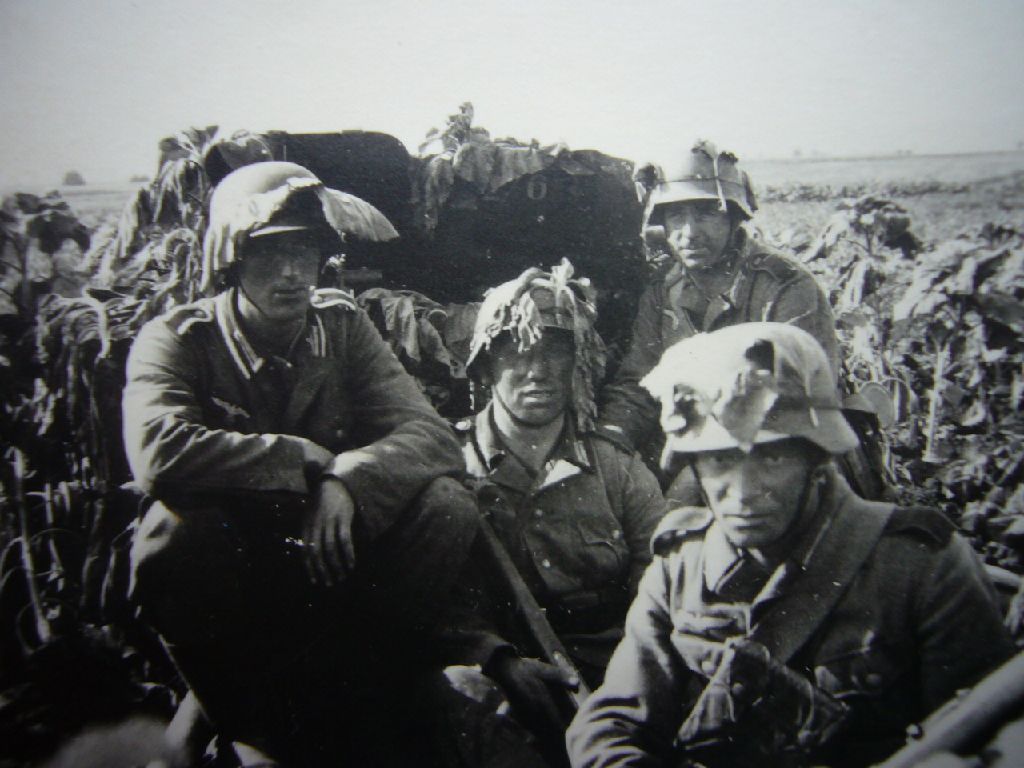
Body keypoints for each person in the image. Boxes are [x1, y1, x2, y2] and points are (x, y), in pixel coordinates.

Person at [122, 161, 479, 766]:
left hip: (329, 560)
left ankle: (368, 688)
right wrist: (301, 459)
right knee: (170, 533)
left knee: (447, 505)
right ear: (233, 258)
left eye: (305, 252)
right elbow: (157, 450)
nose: (291, 273)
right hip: (237, 571)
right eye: (270, 253)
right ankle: (239, 716)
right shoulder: (180, 340)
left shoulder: (341, 328)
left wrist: (348, 478)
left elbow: (431, 435)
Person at [567, 322, 1014, 768]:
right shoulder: (681, 565)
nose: (743, 492)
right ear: (694, 466)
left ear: (816, 458)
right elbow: (612, 724)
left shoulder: (918, 564)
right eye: (720, 460)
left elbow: (995, 733)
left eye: (773, 458)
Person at [432, 261, 668, 767]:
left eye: (554, 352)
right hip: (508, 677)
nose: (537, 370)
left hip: (619, 671)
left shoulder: (616, 468)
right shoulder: (449, 465)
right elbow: (436, 600)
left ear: (577, 365)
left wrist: (631, 676)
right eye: (516, 351)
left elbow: (662, 576)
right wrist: (498, 660)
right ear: (485, 367)